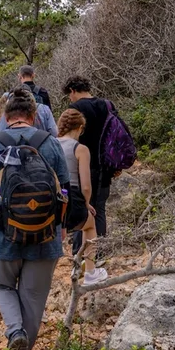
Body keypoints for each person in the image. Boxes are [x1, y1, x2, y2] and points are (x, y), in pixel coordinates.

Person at [0, 86, 70, 350]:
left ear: (4, 114)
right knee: (34, 299)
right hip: (46, 234)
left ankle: (15, 332)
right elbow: (65, 189)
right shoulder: (50, 143)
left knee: (2, 285)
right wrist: (62, 228)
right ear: (33, 114)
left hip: (5, 234)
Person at [63, 76, 116, 261]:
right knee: (99, 209)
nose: (70, 99)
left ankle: (81, 254)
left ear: (72, 90)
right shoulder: (107, 105)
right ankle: (99, 253)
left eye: (69, 95)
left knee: (83, 211)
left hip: (83, 165)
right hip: (105, 166)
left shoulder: (75, 109)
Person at [57, 109, 109, 285]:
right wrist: (86, 204)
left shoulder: (51, 144)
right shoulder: (80, 149)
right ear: (79, 128)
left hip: (52, 197)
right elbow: (85, 185)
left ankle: (75, 266)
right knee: (89, 225)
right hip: (72, 197)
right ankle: (91, 272)